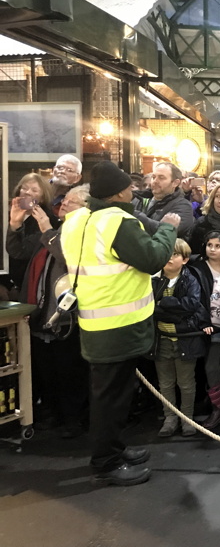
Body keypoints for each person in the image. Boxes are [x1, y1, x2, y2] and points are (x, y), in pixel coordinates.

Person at [60, 161, 179, 487]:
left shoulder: (76, 221)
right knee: (111, 399)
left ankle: (114, 448)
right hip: (119, 326)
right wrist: (169, 227)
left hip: (97, 324)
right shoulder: (116, 222)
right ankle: (107, 462)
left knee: (110, 396)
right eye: (128, 186)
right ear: (116, 193)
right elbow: (153, 258)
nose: (134, 189)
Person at [20, 184, 90, 438]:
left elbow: (68, 256)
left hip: (68, 317)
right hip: (42, 312)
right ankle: (52, 414)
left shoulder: (84, 230)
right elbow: (19, 252)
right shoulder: (55, 229)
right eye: (64, 200)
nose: (64, 205)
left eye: (71, 202)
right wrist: (16, 225)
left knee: (70, 371)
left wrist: (46, 230)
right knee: (46, 370)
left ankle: (74, 419)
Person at [151, 238, 208, 438]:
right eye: (166, 254)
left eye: (174, 254)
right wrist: (171, 309)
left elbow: (192, 305)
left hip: (186, 338)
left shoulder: (190, 278)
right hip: (161, 339)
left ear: (184, 259)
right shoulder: (153, 279)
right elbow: (150, 308)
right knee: (165, 383)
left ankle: (187, 419)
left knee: (186, 382)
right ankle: (170, 418)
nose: (169, 258)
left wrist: (166, 303)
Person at [189, 231, 220, 429]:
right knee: (211, 365)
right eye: (210, 245)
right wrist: (203, 322)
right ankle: (219, 407)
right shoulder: (197, 269)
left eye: (217, 245)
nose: (213, 249)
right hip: (208, 326)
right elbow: (196, 299)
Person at [6, 173, 58, 291]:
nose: (27, 192)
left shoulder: (46, 220)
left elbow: (21, 252)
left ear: (43, 197)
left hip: (28, 285)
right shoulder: (6, 212)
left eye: (34, 190)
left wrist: (15, 226)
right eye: (24, 188)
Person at [135, 162, 194, 240]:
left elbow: (167, 230)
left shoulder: (183, 206)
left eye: (161, 178)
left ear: (175, 183)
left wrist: (134, 215)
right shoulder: (138, 199)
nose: (155, 181)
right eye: (153, 177)